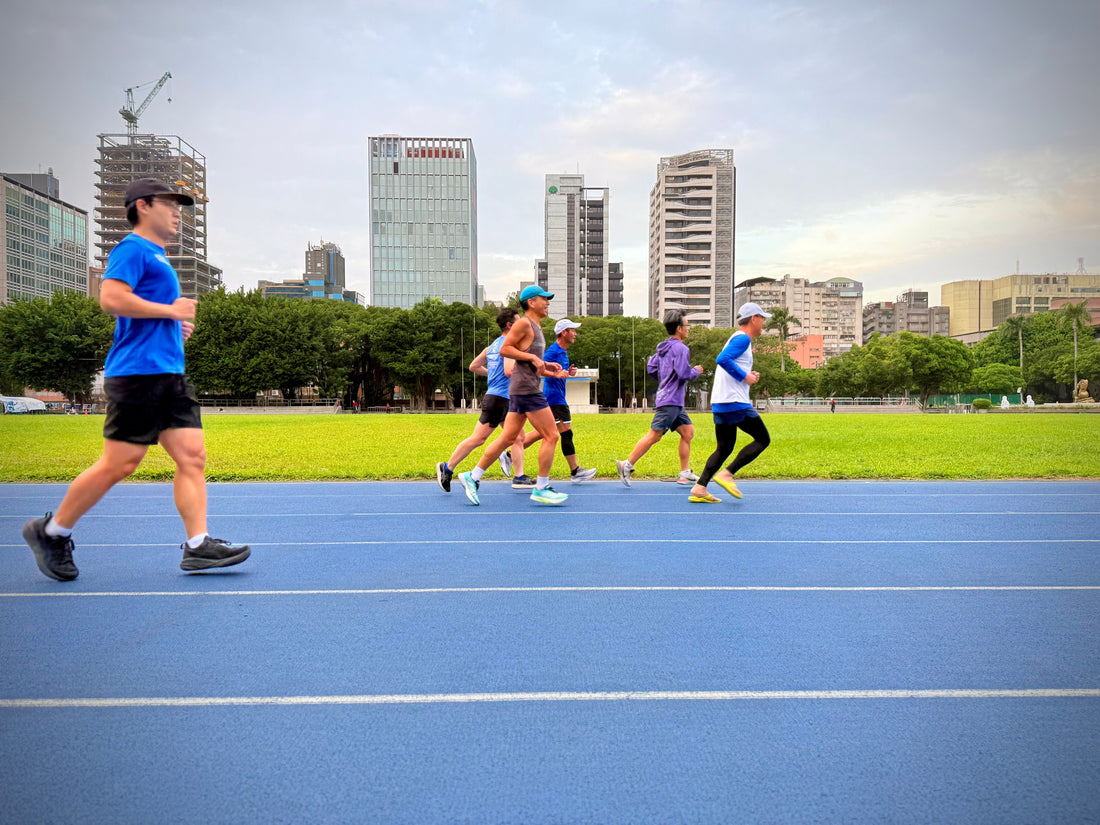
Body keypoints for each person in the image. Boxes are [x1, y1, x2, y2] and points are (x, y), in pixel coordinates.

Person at [21, 178, 250, 580]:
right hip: (138, 375)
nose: (179, 212)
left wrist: (172, 327)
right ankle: (52, 532)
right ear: (143, 206)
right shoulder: (133, 248)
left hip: (169, 375)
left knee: (192, 456)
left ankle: (198, 546)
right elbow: (110, 298)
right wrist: (170, 313)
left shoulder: (159, 256)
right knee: (121, 463)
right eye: (170, 204)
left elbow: (145, 312)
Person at [458, 285, 568, 506]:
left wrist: (545, 365)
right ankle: (541, 487)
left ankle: (473, 476)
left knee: (508, 439)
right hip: (526, 389)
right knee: (552, 435)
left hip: (521, 388)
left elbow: (526, 358)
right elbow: (505, 349)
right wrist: (534, 360)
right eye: (544, 299)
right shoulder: (524, 324)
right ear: (531, 302)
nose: (547, 302)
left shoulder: (536, 327)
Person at [436, 308, 531, 492]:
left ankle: (519, 477)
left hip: (501, 398)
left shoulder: (493, 346)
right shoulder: (510, 345)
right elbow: (509, 371)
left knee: (518, 437)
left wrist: (491, 375)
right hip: (498, 400)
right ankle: (447, 468)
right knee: (478, 439)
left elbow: (474, 366)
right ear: (510, 326)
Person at [688, 302, 773, 504]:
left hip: (721, 401)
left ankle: (700, 487)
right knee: (763, 439)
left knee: (724, 448)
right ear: (754, 319)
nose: (763, 323)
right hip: (734, 401)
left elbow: (729, 363)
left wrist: (748, 375)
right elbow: (722, 359)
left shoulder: (737, 339)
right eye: (762, 318)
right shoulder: (743, 338)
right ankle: (728, 474)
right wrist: (745, 377)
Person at [616, 310, 703, 487]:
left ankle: (685, 473)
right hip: (671, 401)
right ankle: (627, 464)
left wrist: (664, 380)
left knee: (688, 433)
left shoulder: (664, 347)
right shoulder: (681, 348)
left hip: (672, 401)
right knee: (654, 435)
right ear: (679, 328)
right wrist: (696, 371)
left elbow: (651, 367)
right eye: (687, 326)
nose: (688, 329)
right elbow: (683, 373)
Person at [520, 318, 597, 483]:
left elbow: (558, 372)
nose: (575, 333)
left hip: (556, 397)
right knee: (565, 433)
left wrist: (568, 372)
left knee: (544, 433)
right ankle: (575, 471)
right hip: (555, 399)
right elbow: (537, 369)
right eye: (573, 330)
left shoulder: (563, 351)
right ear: (564, 332)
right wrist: (555, 374)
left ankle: (510, 454)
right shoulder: (553, 351)